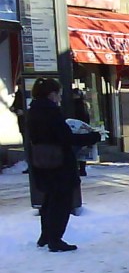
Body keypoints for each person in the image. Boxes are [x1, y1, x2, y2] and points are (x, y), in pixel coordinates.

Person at [25, 77, 101, 252]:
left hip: (41, 160)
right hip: (58, 163)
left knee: (49, 199)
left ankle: (45, 236)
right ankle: (55, 239)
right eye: (58, 94)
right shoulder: (51, 112)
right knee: (61, 201)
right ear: (52, 94)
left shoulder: (33, 110)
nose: (59, 98)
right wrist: (92, 137)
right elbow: (65, 138)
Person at [71, 89, 91, 176]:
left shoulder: (74, 105)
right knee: (82, 149)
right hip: (83, 128)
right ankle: (82, 168)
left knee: (76, 149)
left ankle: (79, 168)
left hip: (76, 129)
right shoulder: (84, 104)